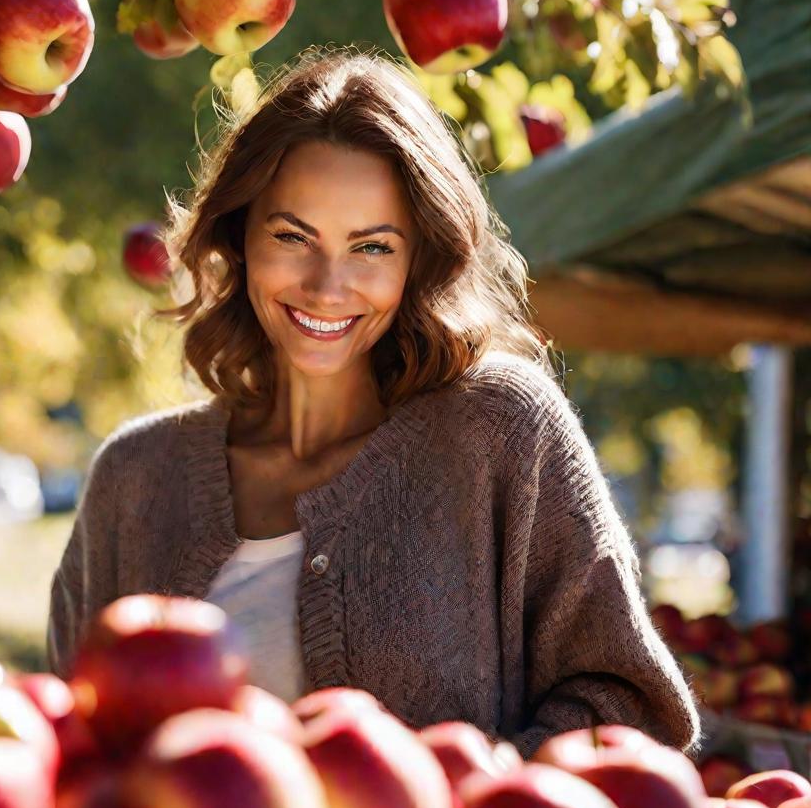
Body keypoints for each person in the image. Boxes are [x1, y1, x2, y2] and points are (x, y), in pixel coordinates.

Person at [47, 47, 700, 759]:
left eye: (372, 248)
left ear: (422, 256)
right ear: (239, 236)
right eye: (292, 236)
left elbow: (631, 712)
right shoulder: (136, 478)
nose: (329, 287)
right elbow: (70, 743)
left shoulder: (500, 432)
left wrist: (460, 804)